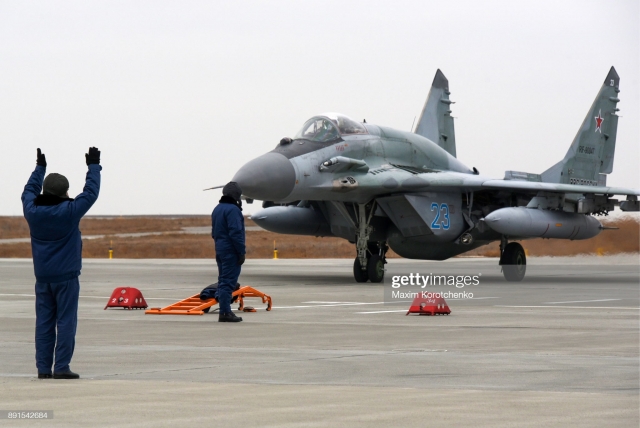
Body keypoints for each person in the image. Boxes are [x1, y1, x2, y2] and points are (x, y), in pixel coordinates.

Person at [21, 147, 101, 379]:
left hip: (43, 277)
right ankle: (62, 367)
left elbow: (28, 191)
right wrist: (93, 166)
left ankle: (43, 368)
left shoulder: (32, 211)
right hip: (66, 277)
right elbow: (90, 193)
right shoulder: (69, 211)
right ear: (65, 192)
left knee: (44, 323)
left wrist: (39, 168)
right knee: (66, 321)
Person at [211, 182, 246, 323]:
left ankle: (224, 308)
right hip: (231, 250)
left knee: (222, 280)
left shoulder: (217, 209)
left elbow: (214, 232)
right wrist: (241, 252)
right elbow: (236, 232)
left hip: (220, 249)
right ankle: (225, 312)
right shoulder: (233, 210)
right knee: (228, 282)